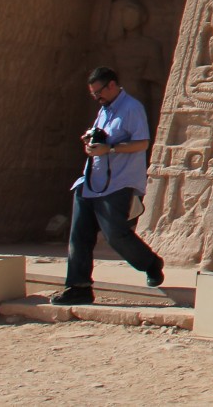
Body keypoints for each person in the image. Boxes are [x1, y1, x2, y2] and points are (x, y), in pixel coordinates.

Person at [51, 66, 164, 304]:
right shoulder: (104, 110)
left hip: (118, 182)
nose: (96, 97)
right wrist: (91, 143)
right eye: (93, 94)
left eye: (98, 92)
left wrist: (110, 148)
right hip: (91, 180)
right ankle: (78, 287)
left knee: (116, 234)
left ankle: (151, 263)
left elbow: (142, 143)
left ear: (112, 85)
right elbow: (102, 140)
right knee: (79, 235)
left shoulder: (132, 108)